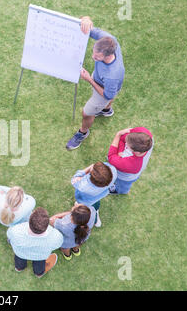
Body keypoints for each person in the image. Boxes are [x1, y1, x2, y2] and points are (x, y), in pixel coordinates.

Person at [66, 16, 125, 150]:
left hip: (104, 90)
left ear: (108, 56)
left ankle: (83, 133)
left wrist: (89, 79)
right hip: (106, 82)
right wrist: (85, 20)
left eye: (97, 57)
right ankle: (106, 110)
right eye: (93, 53)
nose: (93, 57)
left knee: (87, 113)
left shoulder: (112, 75)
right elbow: (87, 27)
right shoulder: (109, 40)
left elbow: (108, 95)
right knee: (111, 95)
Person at [7, 207, 63, 278]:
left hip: (20, 253)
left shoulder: (16, 230)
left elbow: (9, 235)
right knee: (39, 265)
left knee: (19, 259)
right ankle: (38, 273)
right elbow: (58, 244)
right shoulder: (55, 235)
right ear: (47, 225)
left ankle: (19, 268)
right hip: (40, 256)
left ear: (29, 220)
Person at [107, 127, 154, 194]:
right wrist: (120, 150)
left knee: (123, 186)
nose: (126, 143)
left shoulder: (130, 164)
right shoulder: (144, 133)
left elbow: (111, 156)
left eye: (128, 145)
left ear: (136, 152)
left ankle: (120, 191)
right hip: (125, 165)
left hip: (126, 177)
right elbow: (122, 139)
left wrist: (118, 134)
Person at [71, 161, 117, 227]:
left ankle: (95, 219)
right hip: (100, 194)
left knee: (90, 208)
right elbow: (106, 165)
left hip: (85, 200)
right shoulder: (113, 171)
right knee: (95, 202)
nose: (93, 165)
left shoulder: (83, 186)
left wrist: (89, 168)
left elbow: (74, 179)